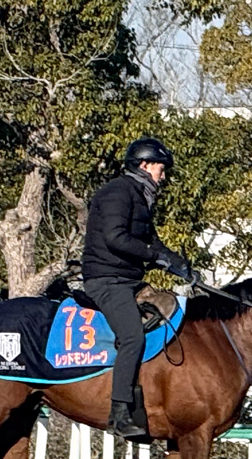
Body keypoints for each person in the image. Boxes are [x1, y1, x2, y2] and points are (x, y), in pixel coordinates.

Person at [81, 137, 193, 439]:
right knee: (132, 337)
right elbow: (116, 238)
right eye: (160, 168)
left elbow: (152, 243)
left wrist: (178, 264)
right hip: (107, 280)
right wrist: (153, 256)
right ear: (144, 165)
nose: (163, 175)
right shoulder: (118, 191)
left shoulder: (141, 196)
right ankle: (119, 414)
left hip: (129, 280)